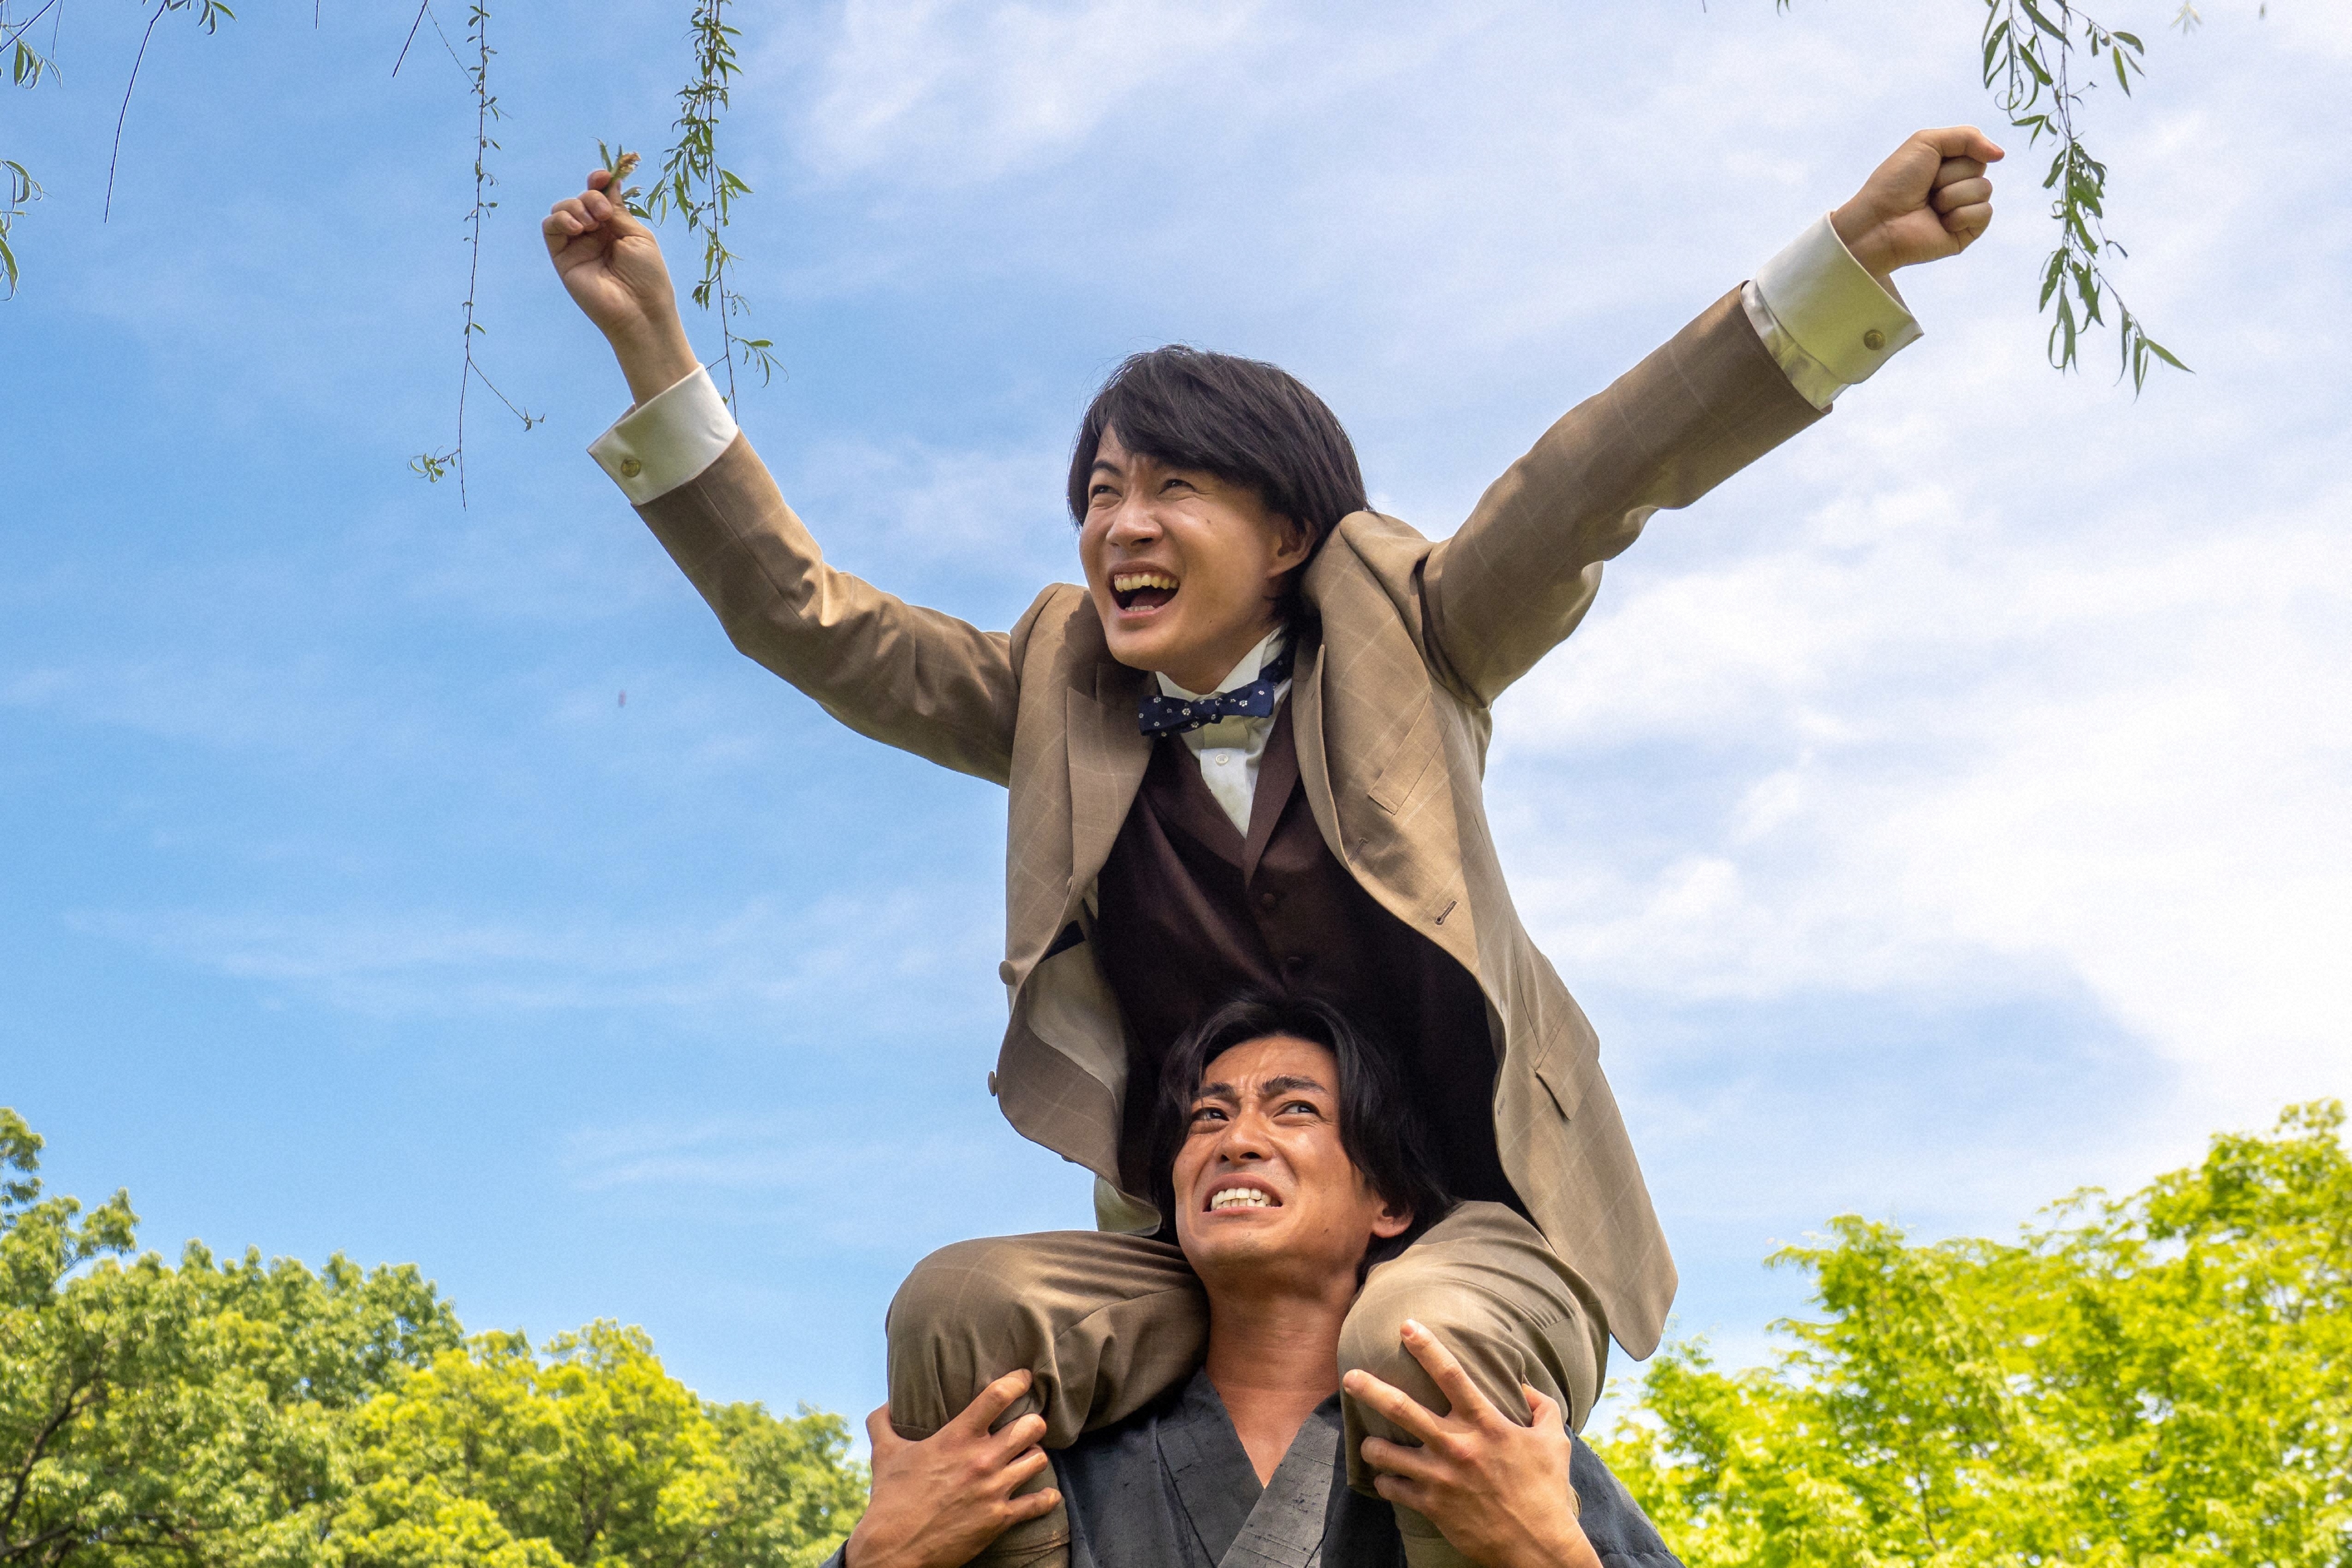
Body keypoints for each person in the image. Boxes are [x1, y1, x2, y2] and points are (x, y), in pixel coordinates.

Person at [544, 122, 2001, 1567]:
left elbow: (1591, 479)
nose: (1122, 524)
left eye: (1171, 487)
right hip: (1208, 1245)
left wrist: (1843, 264)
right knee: (954, 1305)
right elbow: (813, 621)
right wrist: (653, 350)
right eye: (1100, 495)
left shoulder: (1414, 627)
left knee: (1415, 1345)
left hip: (1476, 1223)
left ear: (1291, 528)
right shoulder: (1056, 687)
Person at [835, 992, 1681, 1568]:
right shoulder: (1038, 1459)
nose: (1234, 1140)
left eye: (1295, 1109)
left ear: (1388, 1201)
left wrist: (1546, 1551)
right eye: (1209, 1115)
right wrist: (882, 1557)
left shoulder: (1492, 1449)